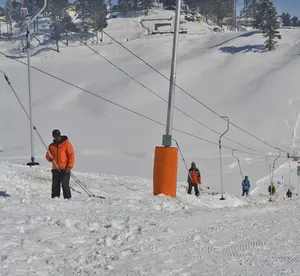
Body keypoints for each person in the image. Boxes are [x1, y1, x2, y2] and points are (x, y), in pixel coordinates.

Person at [46, 129, 74, 199]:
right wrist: (50, 158)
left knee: (65, 184)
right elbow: (47, 155)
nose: (57, 138)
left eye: (58, 136)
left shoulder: (67, 144)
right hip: (55, 169)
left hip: (65, 169)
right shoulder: (51, 146)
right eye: (55, 136)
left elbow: (71, 156)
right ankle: (55, 199)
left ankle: (67, 199)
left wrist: (69, 167)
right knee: (55, 185)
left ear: (60, 135)